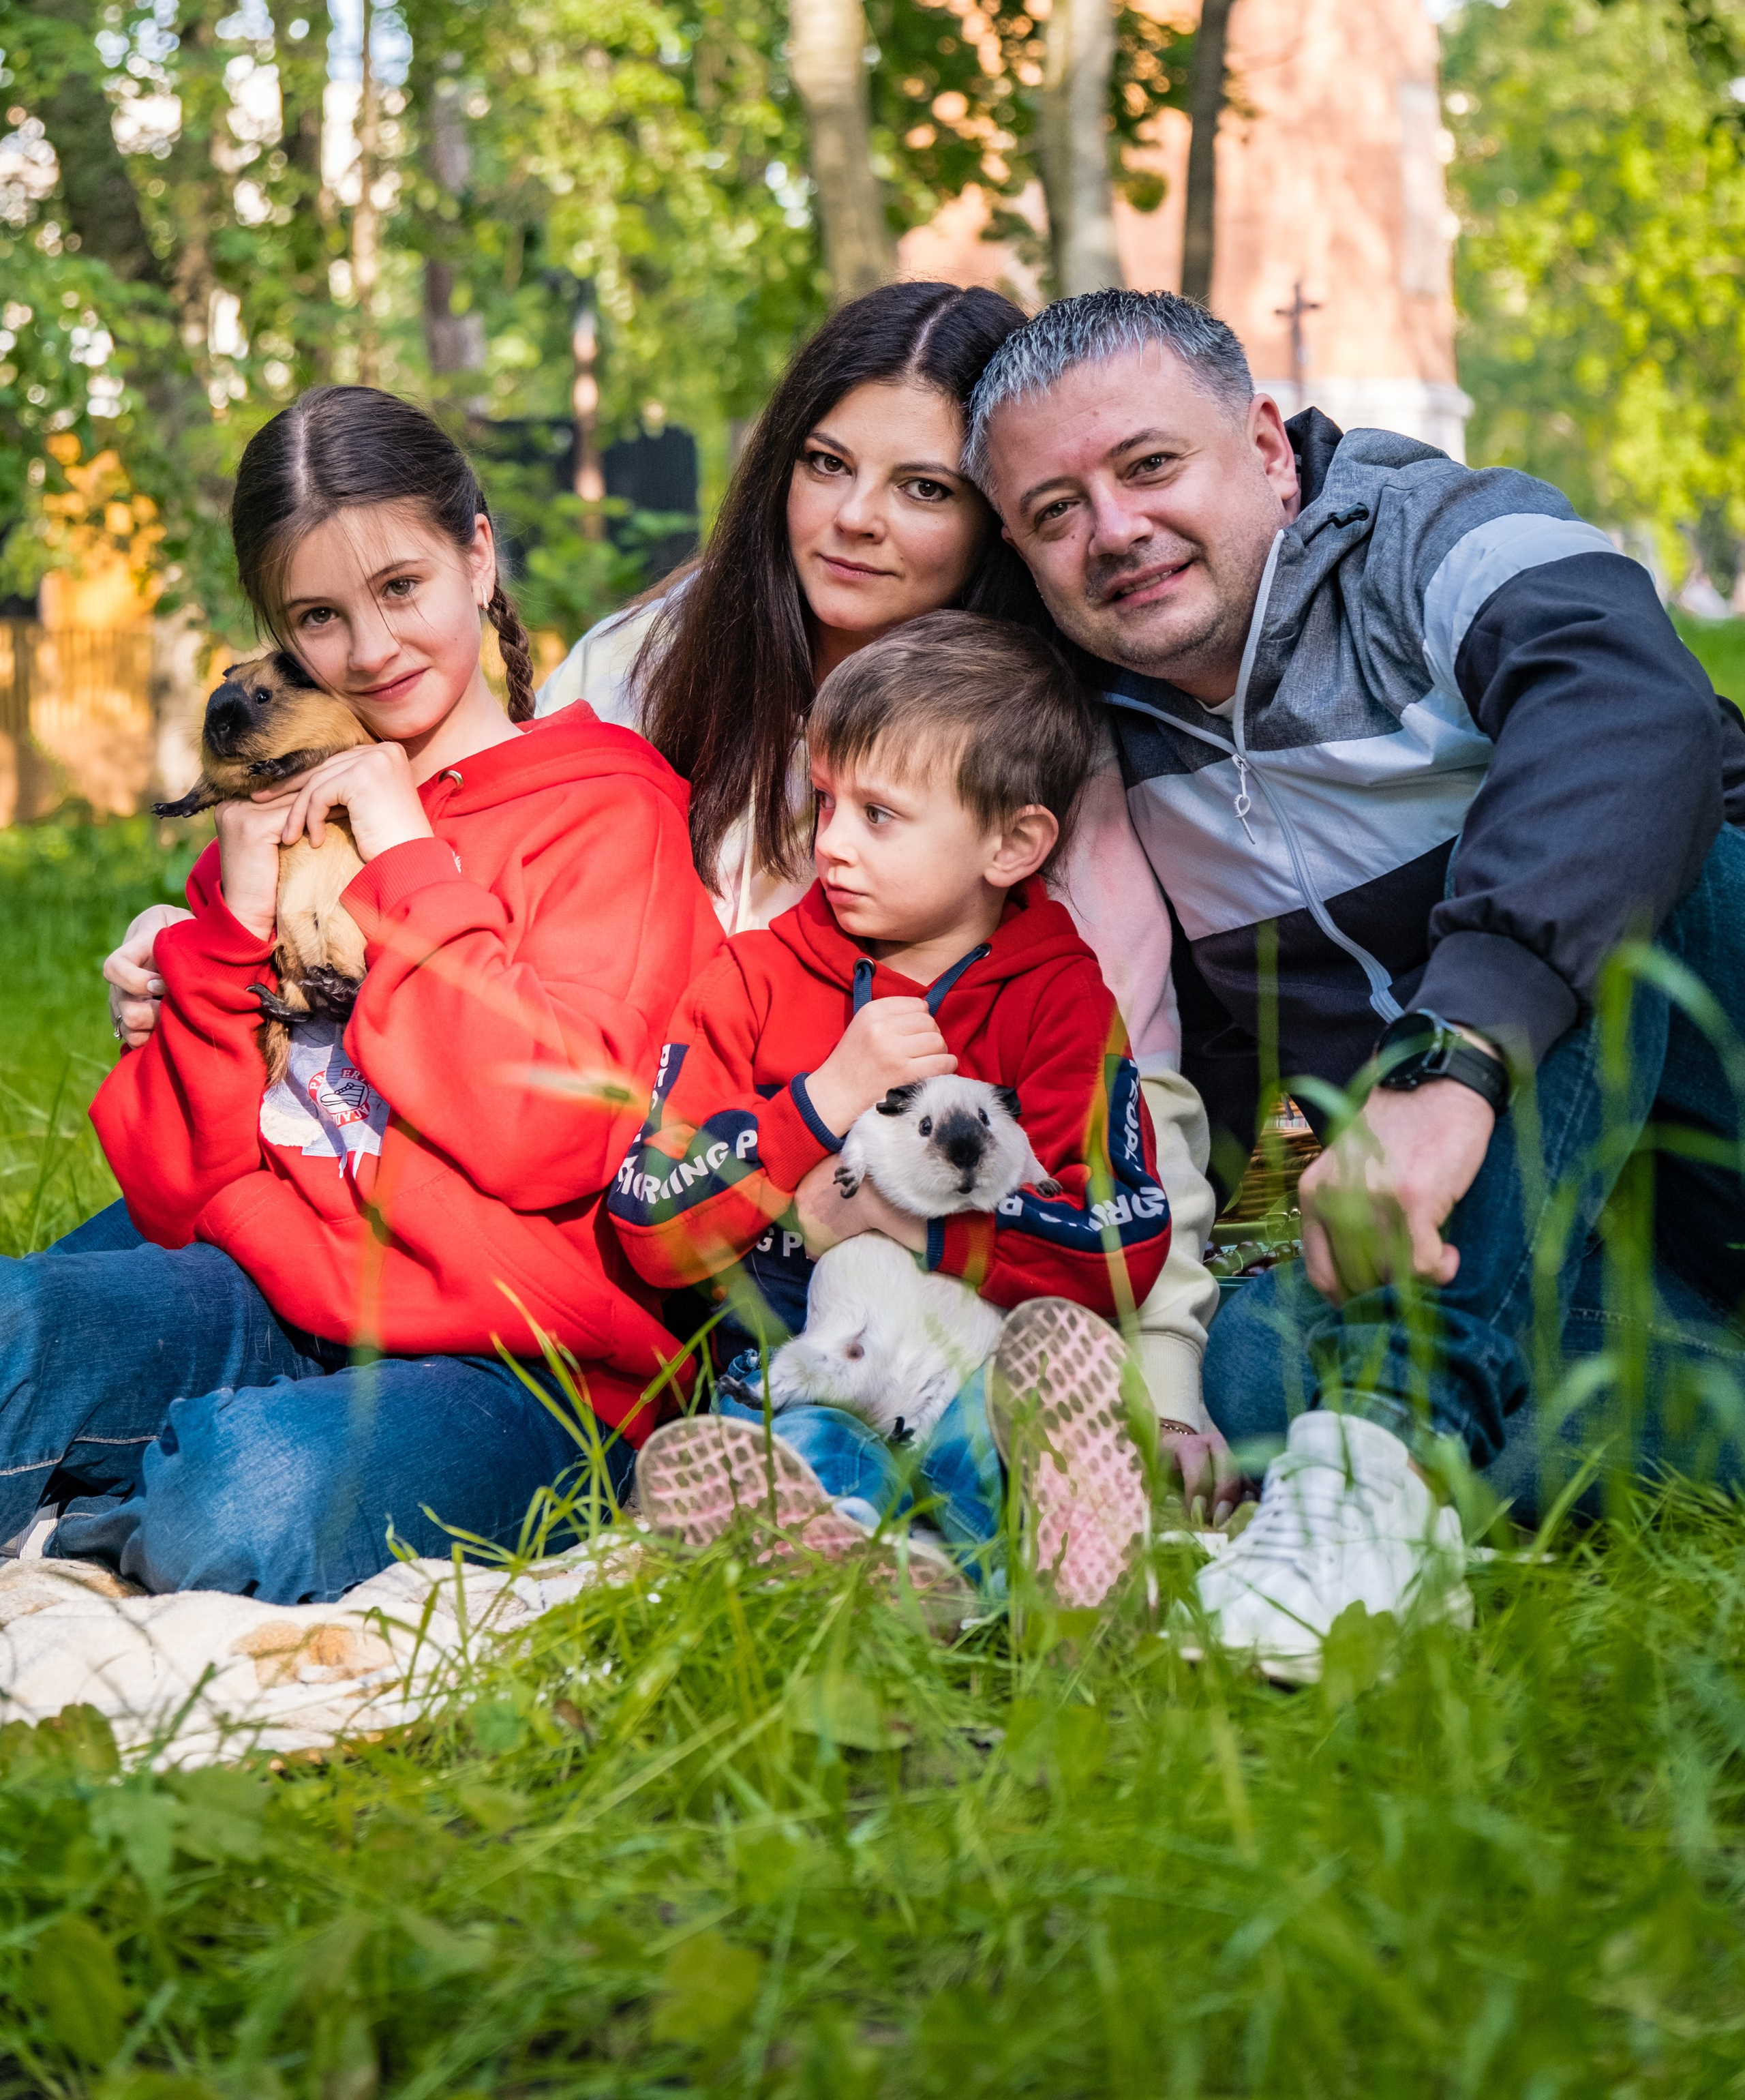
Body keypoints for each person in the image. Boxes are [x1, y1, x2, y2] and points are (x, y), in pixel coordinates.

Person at [104, 287, 1231, 1508]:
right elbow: (481, 863)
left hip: (809, 1251)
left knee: (252, 1483)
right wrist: (209, 938)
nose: (856, 520)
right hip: (615, 1201)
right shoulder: (655, 658)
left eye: (923, 489)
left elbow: (1127, 1090)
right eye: (826, 463)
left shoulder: (1036, 757)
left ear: (992, 524)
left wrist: (1166, 1383)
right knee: (79, 1320)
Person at [967, 284, 1745, 1677]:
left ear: (1265, 447)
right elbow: (1218, 1081)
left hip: (1701, 1052)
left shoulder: (1429, 540)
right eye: (1054, 512)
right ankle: (1414, 1469)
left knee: (1632, 863)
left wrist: (1452, 1062)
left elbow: (1628, 712)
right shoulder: (1109, 742)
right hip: (1578, 1233)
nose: (1115, 531)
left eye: (1149, 466)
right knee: (1260, 1360)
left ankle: (1376, 1462)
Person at [0, 386, 721, 1601]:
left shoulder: (609, 811)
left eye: (401, 589)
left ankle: (124, 1494)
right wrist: (226, 924)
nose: (373, 650)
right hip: (270, 1292)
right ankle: (133, 1484)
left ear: (478, 554)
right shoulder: (273, 823)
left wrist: (404, 856)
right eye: (320, 618)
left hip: (520, 1369)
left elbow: (553, 1136)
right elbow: (179, 1188)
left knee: (249, 1498)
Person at [611, 612, 1172, 1608]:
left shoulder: (1061, 1000)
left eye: (879, 815)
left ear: (1012, 842)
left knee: (1001, 1428)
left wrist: (909, 1224)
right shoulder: (751, 981)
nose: (831, 844)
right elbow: (651, 1219)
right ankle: (877, 1583)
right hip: (802, 1369)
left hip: (976, 1366)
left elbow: (1124, 1241)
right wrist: (821, 1101)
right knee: (783, 1457)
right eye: (825, 802)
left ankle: (1068, 1575)